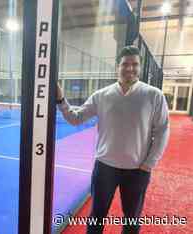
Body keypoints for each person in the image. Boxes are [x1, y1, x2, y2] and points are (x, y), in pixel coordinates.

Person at [56, 45, 170, 234]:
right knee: (96, 218)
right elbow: (75, 118)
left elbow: (163, 130)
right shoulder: (102, 95)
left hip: (138, 169)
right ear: (118, 66)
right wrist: (61, 101)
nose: (130, 68)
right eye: (126, 64)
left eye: (135, 64)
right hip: (105, 167)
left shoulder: (153, 95)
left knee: (131, 221)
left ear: (139, 67)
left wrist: (149, 163)